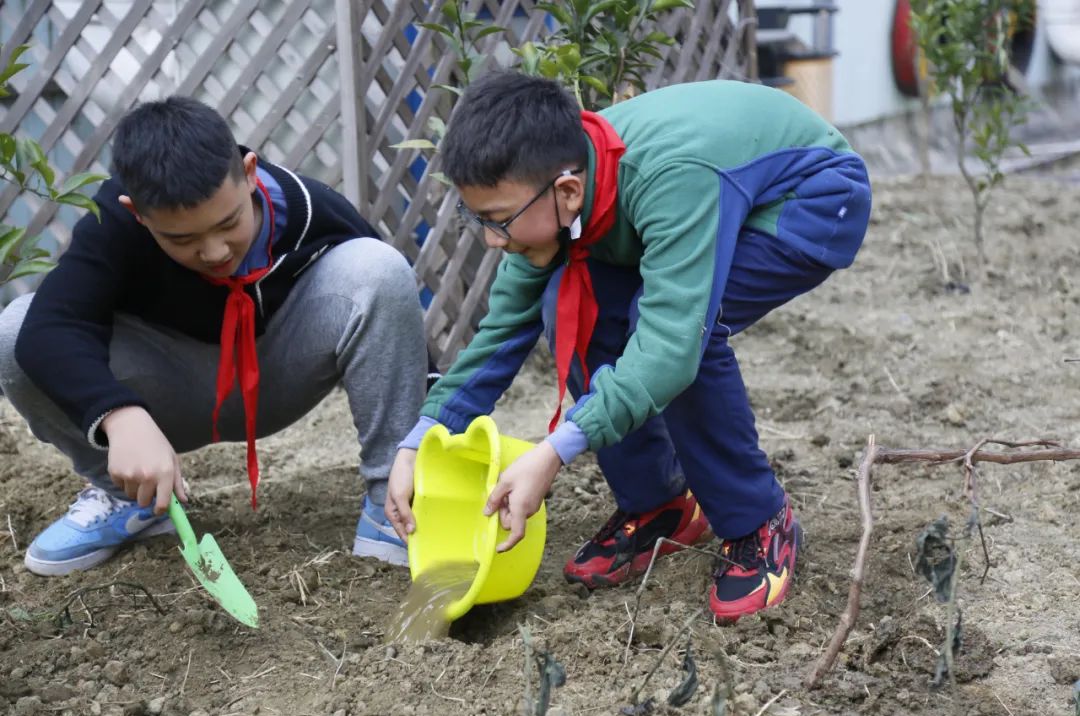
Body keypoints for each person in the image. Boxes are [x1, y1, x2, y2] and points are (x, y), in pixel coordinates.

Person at [384, 71, 871, 623]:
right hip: (720, 195)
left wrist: (554, 452)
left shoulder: (670, 178)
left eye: (500, 222)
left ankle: (757, 520)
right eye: (481, 221)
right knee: (568, 303)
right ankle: (659, 504)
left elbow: (669, 349)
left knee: (681, 331)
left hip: (811, 201)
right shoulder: (558, 180)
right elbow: (501, 331)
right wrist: (420, 440)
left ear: (567, 192)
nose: (495, 241)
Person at [0, 96, 428, 576]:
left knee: (380, 268)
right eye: (181, 239)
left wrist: (436, 425)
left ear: (249, 172)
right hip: (164, 401)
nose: (214, 250)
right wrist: (118, 417)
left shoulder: (308, 206)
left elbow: (396, 322)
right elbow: (51, 326)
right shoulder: (114, 225)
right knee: (14, 331)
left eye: (229, 223)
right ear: (136, 211)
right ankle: (130, 499)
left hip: (273, 381)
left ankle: (394, 501)